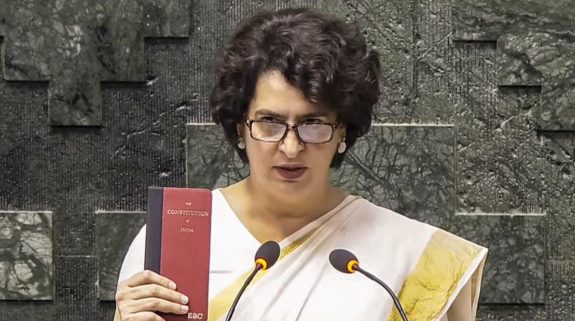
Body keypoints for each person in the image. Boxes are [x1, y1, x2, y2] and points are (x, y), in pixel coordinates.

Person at [114, 7, 487, 321]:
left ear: (343, 130)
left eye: (313, 124)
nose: (291, 148)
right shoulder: (177, 237)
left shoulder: (411, 256)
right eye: (270, 123)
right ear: (240, 128)